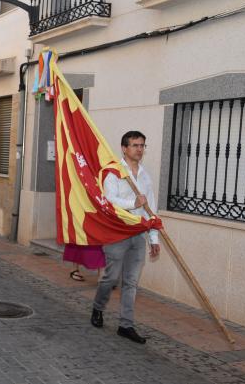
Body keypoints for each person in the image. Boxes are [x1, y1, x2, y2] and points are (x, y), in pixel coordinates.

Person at [91, 131, 160, 344]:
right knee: (111, 278)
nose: (139, 149)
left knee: (131, 282)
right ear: (124, 148)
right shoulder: (113, 172)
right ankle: (98, 308)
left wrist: (154, 237)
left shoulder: (145, 175)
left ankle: (126, 325)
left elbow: (151, 207)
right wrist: (133, 204)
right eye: (135, 145)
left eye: (142, 145)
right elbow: (109, 201)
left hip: (138, 235)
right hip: (117, 233)